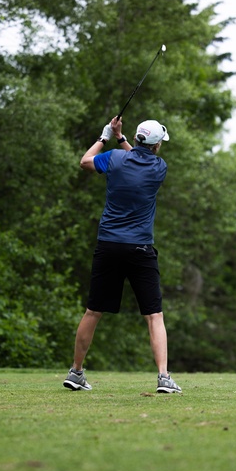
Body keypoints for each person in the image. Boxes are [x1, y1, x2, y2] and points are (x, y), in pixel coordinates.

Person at [63, 116, 182, 395]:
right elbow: (138, 159)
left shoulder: (115, 159)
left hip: (109, 245)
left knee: (93, 311)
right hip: (140, 249)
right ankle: (164, 377)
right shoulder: (159, 167)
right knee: (154, 316)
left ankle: (76, 372)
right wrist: (120, 138)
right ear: (156, 145)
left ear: (138, 138)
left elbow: (85, 161)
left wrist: (106, 136)